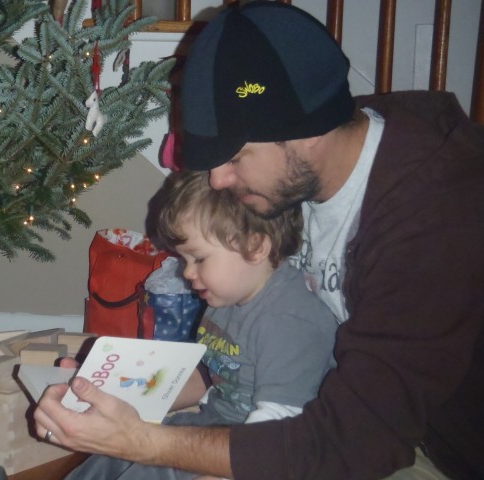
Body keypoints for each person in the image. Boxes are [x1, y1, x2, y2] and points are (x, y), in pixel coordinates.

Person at [34, 2, 484, 479]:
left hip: (430, 451)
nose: (220, 179)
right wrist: (126, 387)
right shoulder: (301, 171)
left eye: (236, 157)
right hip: (331, 422)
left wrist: (144, 441)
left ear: (306, 133)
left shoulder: (435, 218)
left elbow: (353, 445)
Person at [62, 169, 338, 479]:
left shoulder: (291, 321)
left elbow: (279, 430)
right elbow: (208, 371)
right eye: (184, 260)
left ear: (256, 247)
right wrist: (114, 395)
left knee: (149, 471)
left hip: (252, 448)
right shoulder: (224, 297)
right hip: (213, 425)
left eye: (199, 259)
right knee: (111, 454)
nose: (187, 273)